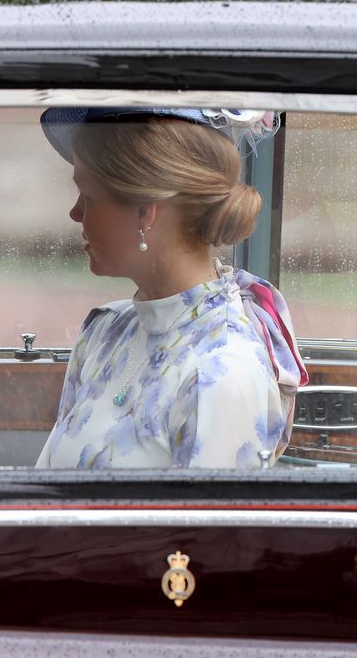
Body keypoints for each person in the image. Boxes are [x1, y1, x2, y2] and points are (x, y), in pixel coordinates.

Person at [36, 107, 307, 469]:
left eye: (88, 195)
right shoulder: (104, 331)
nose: (75, 213)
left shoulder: (222, 372)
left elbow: (207, 526)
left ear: (145, 211)